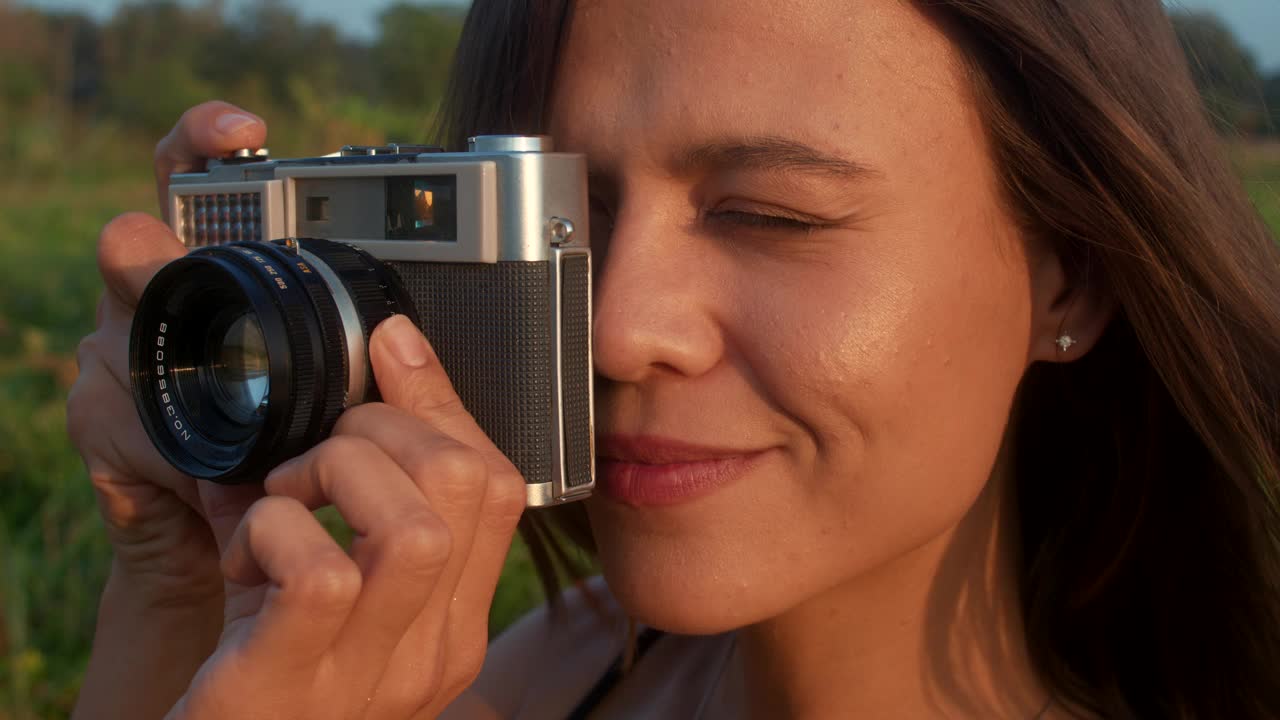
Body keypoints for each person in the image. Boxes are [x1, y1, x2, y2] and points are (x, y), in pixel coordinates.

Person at [68, 0, 1280, 718]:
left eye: (772, 216)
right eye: (564, 218)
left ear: (1066, 274)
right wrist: (174, 589)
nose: (614, 326)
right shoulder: (563, 664)